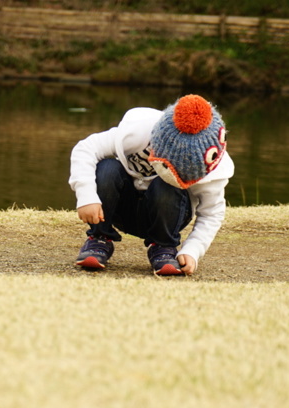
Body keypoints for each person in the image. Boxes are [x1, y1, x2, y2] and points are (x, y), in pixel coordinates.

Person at [68, 94, 234, 276]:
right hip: (121, 209)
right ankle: (99, 238)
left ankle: (163, 247)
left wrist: (192, 251)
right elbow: (85, 149)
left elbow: (212, 213)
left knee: (168, 184)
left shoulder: (209, 165)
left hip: (167, 216)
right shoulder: (138, 131)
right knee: (107, 168)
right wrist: (86, 195)